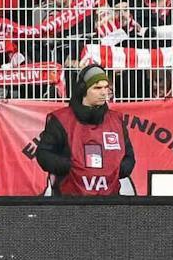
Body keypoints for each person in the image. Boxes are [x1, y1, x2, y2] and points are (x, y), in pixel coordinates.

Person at [33, 65, 136, 196]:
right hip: (69, 203)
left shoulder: (116, 120)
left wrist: (115, 170)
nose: (104, 93)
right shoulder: (60, 120)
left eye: (106, 87)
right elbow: (44, 154)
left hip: (110, 202)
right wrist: (70, 168)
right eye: (97, 88)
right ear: (83, 90)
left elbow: (129, 157)